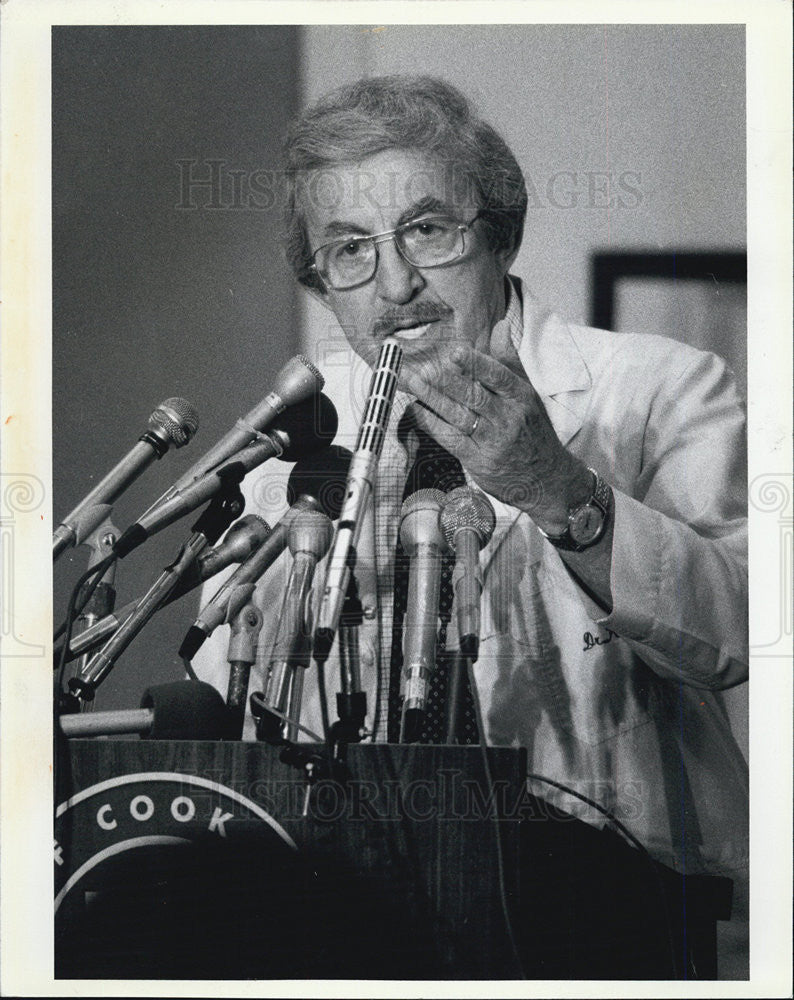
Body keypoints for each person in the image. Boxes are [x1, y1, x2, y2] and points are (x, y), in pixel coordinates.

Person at [195, 75, 748, 976]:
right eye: (350, 251)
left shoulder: (656, 387)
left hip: (607, 907)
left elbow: (739, 630)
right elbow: (233, 678)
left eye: (427, 230)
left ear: (499, 234)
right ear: (324, 285)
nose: (398, 284)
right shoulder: (302, 432)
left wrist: (560, 488)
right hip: (350, 893)